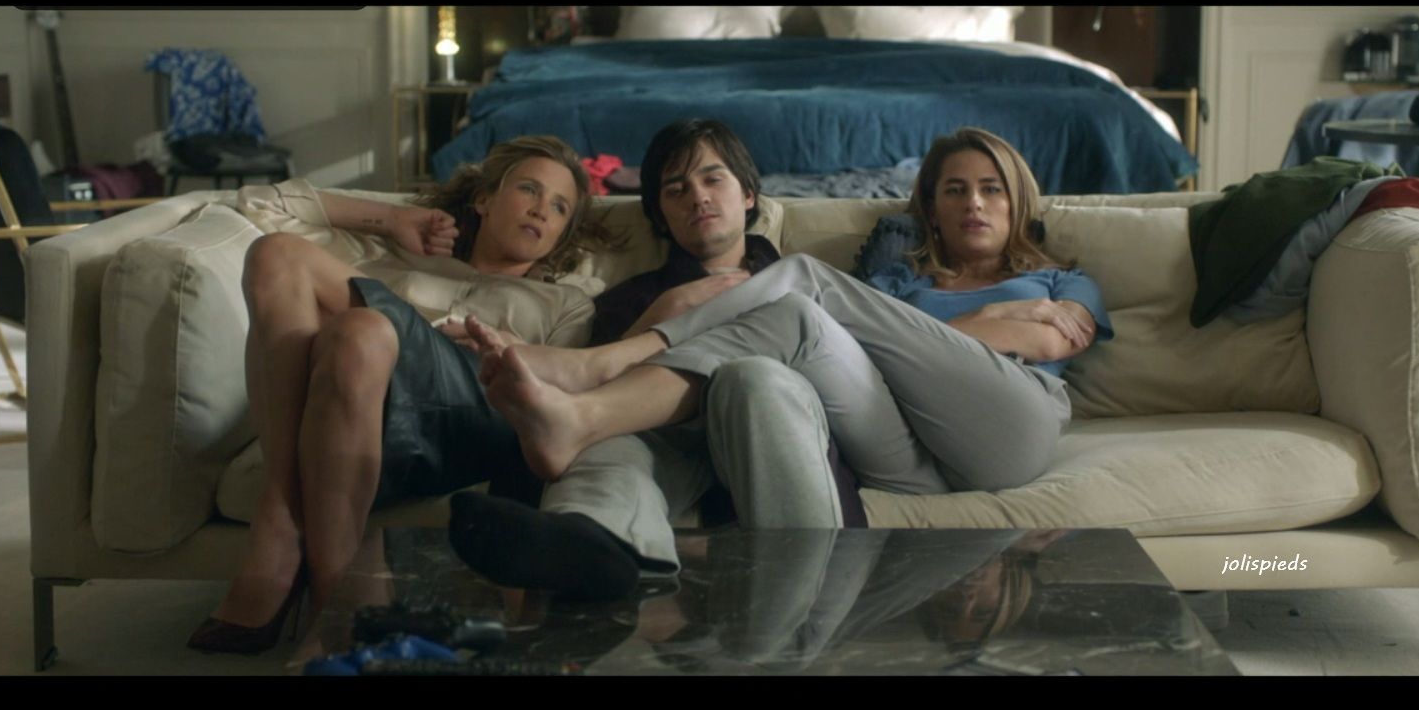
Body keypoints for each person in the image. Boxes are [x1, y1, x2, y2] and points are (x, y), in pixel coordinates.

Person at [469, 126, 1114, 574]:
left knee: (806, 280)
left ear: (1018, 200)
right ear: (931, 207)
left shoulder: (1062, 277)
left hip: (1008, 427)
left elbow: (1051, 336)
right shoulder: (898, 283)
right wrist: (989, 319)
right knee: (798, 312)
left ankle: (597, 374)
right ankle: (589, 463)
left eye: (991, 188)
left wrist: (978, 319)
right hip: (909, 450)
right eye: (954, 190)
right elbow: (862, 349)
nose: (973, 202)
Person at [189, 135, 599, 653]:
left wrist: (509, 348)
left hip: (474, 411)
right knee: (329, 305)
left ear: (562, 234)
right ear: (483, 199)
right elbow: (257, 203)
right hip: (366, 406)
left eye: (559, 207)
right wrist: (391, 219)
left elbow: (566, 393)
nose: (541, 209)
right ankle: (340, 605)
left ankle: (281, 519)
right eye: (529, 190)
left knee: (359, 320)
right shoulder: (397, 255)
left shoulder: (567, 302)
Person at [448, 119, 856, 602]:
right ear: (661, 214)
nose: (697, 197)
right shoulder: (630, 301)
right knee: (606, 448)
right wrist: (656, 321)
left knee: (754, 378)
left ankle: (809, 611)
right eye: (676, 190)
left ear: (749, 195)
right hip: (669, 444)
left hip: (770, 421)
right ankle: (589, 554)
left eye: (713, 179)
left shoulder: (807, 286)